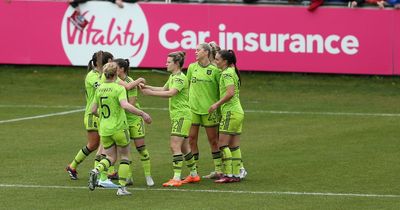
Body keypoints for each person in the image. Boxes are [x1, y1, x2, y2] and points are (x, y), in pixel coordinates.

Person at [88, 62, 152, 196]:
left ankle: (97, 170)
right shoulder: (119, 88)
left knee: (110, 156)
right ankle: (122, 188)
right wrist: (142, 113)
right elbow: (126, 105)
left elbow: (93, 110)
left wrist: (104, 117)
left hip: (105, 129)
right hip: (119, 128)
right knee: (125, 157)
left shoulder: (99, 89)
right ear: (116, 73)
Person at [140, 51, 199, 187]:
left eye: (168, 62)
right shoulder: (173, 76)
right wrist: (147, 87)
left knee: (174, 145)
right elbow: (164, 88)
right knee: (184, 147)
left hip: (182, 116)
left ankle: (176, 178)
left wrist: (150, 93)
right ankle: (194, 174)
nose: (165, 64)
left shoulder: (179, 78)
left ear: (176, 64)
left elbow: (171, 93)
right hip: (179, 116)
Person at [66, 51, 115, 183]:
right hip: (92, 114)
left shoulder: (104, 75)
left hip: (103, 114)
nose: (113, 65)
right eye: (111, 62)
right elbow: (103, 87)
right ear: (103, 64)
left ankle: (107, 171)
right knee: (95, 144)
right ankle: (74, 167)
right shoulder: (92, 76)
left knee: (105, 143)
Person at [115, 58, 154, 186]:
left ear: (121, 69)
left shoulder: (129, 82)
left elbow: (131, 103)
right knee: (125, 149)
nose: (113, 68)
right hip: (122, 119)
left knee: (141, 148)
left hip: (133, 118)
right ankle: (129, 177)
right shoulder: (115, 80)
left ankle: (148, 176)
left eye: (115, 66)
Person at [186, 43, 223, 179]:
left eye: (198, 50)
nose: (195, 52)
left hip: (209, 110)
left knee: (213, 140)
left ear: (206, 52)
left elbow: (222, 90)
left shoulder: (215, 70)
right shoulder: (191, 67)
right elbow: (187, 86)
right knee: (191, 139)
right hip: (193, 109)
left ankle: (218, 169)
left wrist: (219, 107)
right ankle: (194, 172)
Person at [209, 50, 246, 183]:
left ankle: (228, 174)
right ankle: (236, 175)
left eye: (218, 59)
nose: (215, 61)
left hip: (231, 112)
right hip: (238, 112)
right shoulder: (233, 71)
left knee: (222, 144)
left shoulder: (226, 74)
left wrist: (216, 105)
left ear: (225, 61)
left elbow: (230, 93)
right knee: (234, 145)